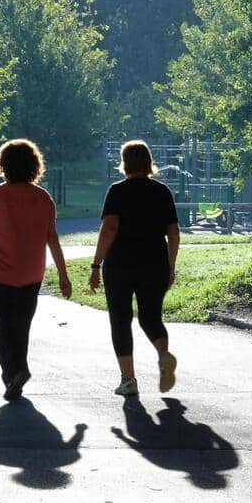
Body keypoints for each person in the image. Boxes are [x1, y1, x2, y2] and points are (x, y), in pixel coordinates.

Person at [0, 139, 71, 400]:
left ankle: (13, 373)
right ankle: (18, 371)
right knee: (22, 325)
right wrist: (63, 275)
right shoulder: (43, 198)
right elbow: (52, 239)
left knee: (3, 325)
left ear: (2, 165)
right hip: (31, 274)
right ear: (35, 166)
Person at [88, 140, 180, 396]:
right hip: (155, 264)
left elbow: (109, 230)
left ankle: (128, 380)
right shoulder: (162, 191)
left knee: (120, 320)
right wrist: (170, 266)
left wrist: (96, 265)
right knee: (151, 317)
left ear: (125, 162)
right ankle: (163, 355)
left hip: (120, 265)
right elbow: (173, 234)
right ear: (149, 162)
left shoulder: (117, 191)